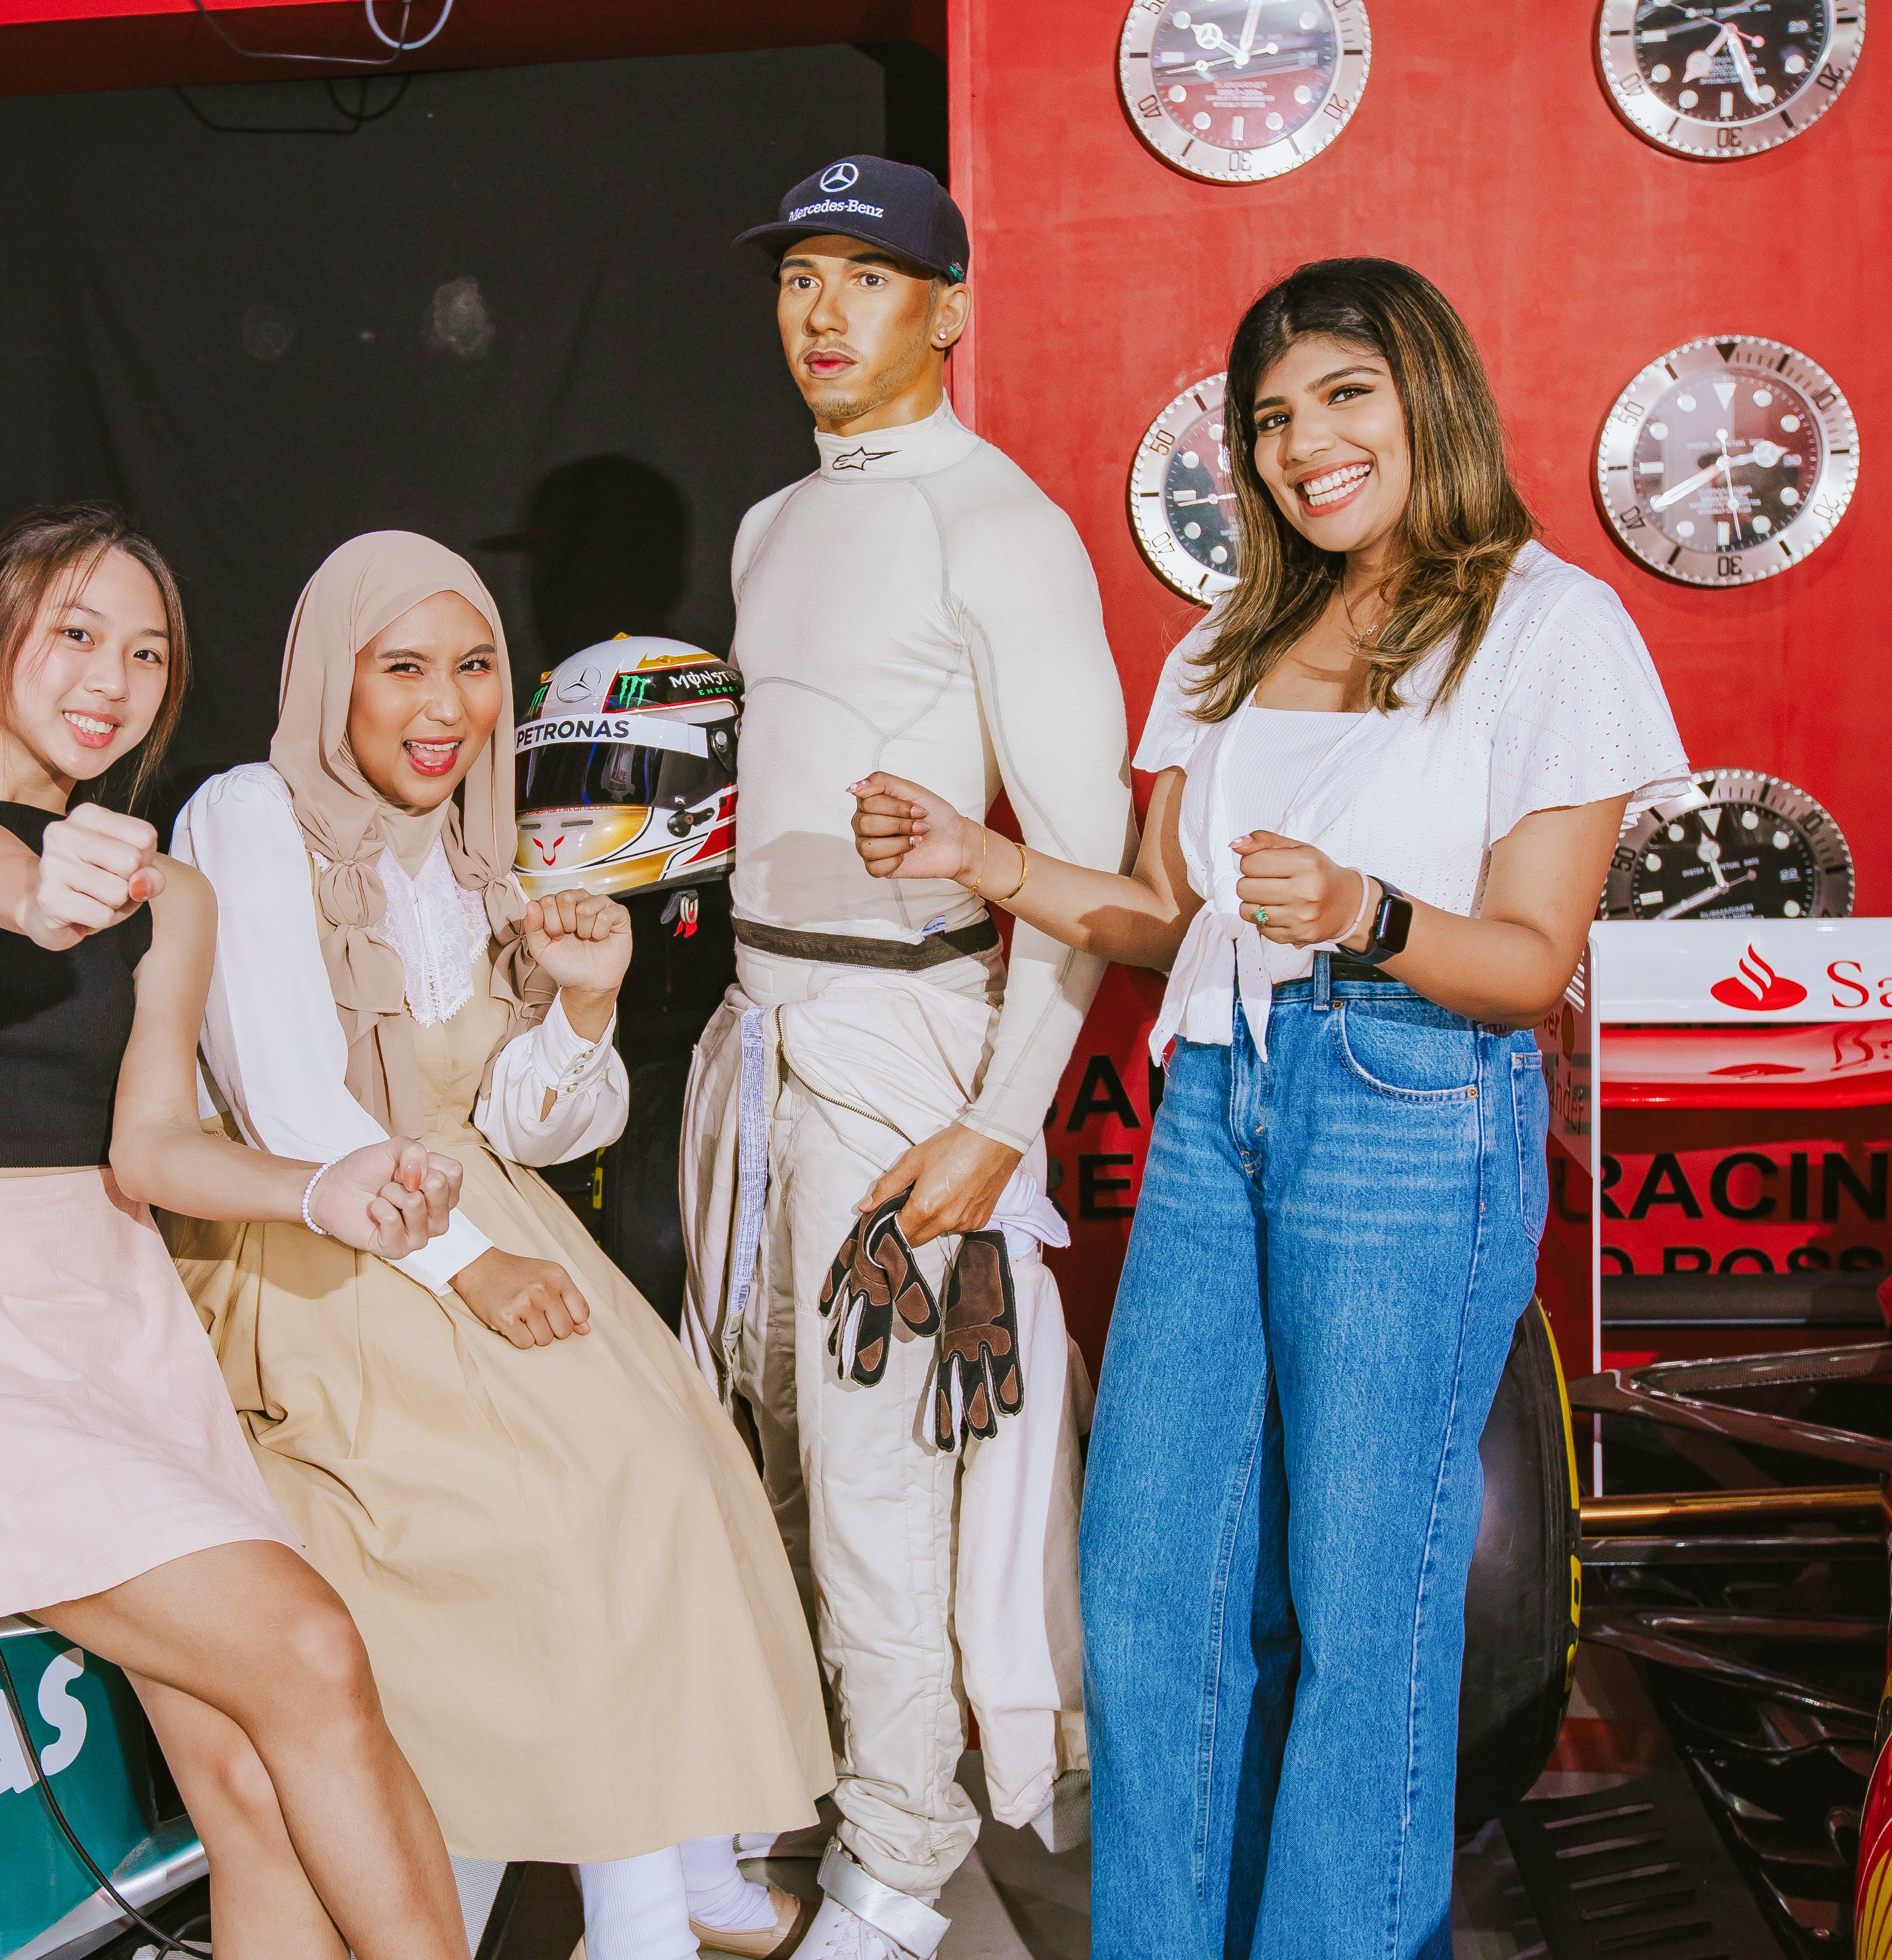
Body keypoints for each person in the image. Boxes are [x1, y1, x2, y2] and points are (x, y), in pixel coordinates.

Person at [849, 259, 1693, 1957]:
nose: (1308, 442)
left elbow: (1533, 963)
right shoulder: (1235, 638)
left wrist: (1372, 911)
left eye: (1345, 396)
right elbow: (1178, 917)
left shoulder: (1548, 624)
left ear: (1427, 397)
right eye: (1275, 414)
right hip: (1221, 1103)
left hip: (1408, 1104)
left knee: (1365, 1606)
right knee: (1157, 1594)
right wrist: (985, 858)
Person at [0, 503, 474, 1960]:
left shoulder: (172, 898)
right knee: (313, 1649)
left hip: (123, 1328)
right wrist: (22, 886)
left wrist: (321, 1192)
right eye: (76, 634)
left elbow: (150, 1149)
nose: (114, 679)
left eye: (147, 653)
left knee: (248, 1790)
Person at [160, 531, 834, 1960]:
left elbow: (537, 1129)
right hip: (322, 1248)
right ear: (329, 676)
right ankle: (646, 1913)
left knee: (674, 1456)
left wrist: (586, 1004)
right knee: (581, 1497)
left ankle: (681, 1867)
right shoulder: (244, 816)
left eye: (473, 670)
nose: (444, 706)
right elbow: (292, 1102)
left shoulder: (478, 851)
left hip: (474, 1210)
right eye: (402, 667)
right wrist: (472, 1266)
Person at [677, 155, 1132, 1960]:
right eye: (800, 272)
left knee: (881, 1475)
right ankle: (822, 1798)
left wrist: (1001, 1124)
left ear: (948, 307)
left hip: (905, 1042)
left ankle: (902, 1860)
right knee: (774, 1444)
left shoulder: (999, 524)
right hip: (756, 1038)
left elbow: (1088, 875)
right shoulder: (773, 526)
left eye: (868, 275)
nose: (822, 309)